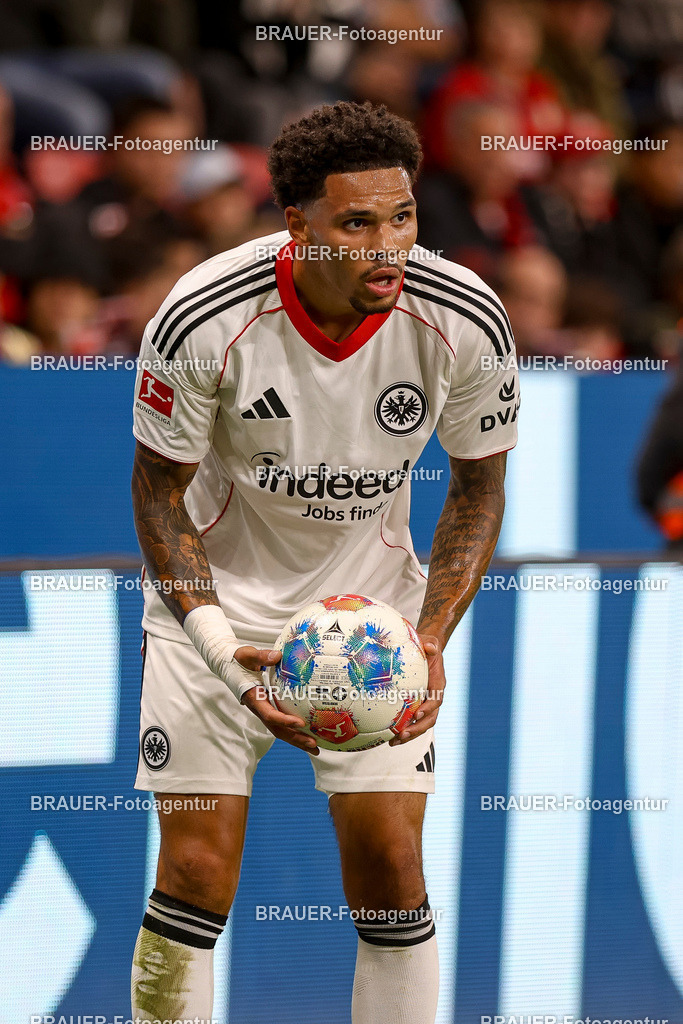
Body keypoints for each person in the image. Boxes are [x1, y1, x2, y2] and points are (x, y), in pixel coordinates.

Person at [130, 100, 518, 1023]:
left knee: (389, 866)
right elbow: (157, 496)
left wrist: (426, 640)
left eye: (403, 216)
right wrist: (224, 651)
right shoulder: (202, 316)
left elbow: (476, 490)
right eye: (357, 223)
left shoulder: (462, 316)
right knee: (193, 868)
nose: (388, 246)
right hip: (216, 616)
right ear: (295, 224)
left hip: (376, 621)